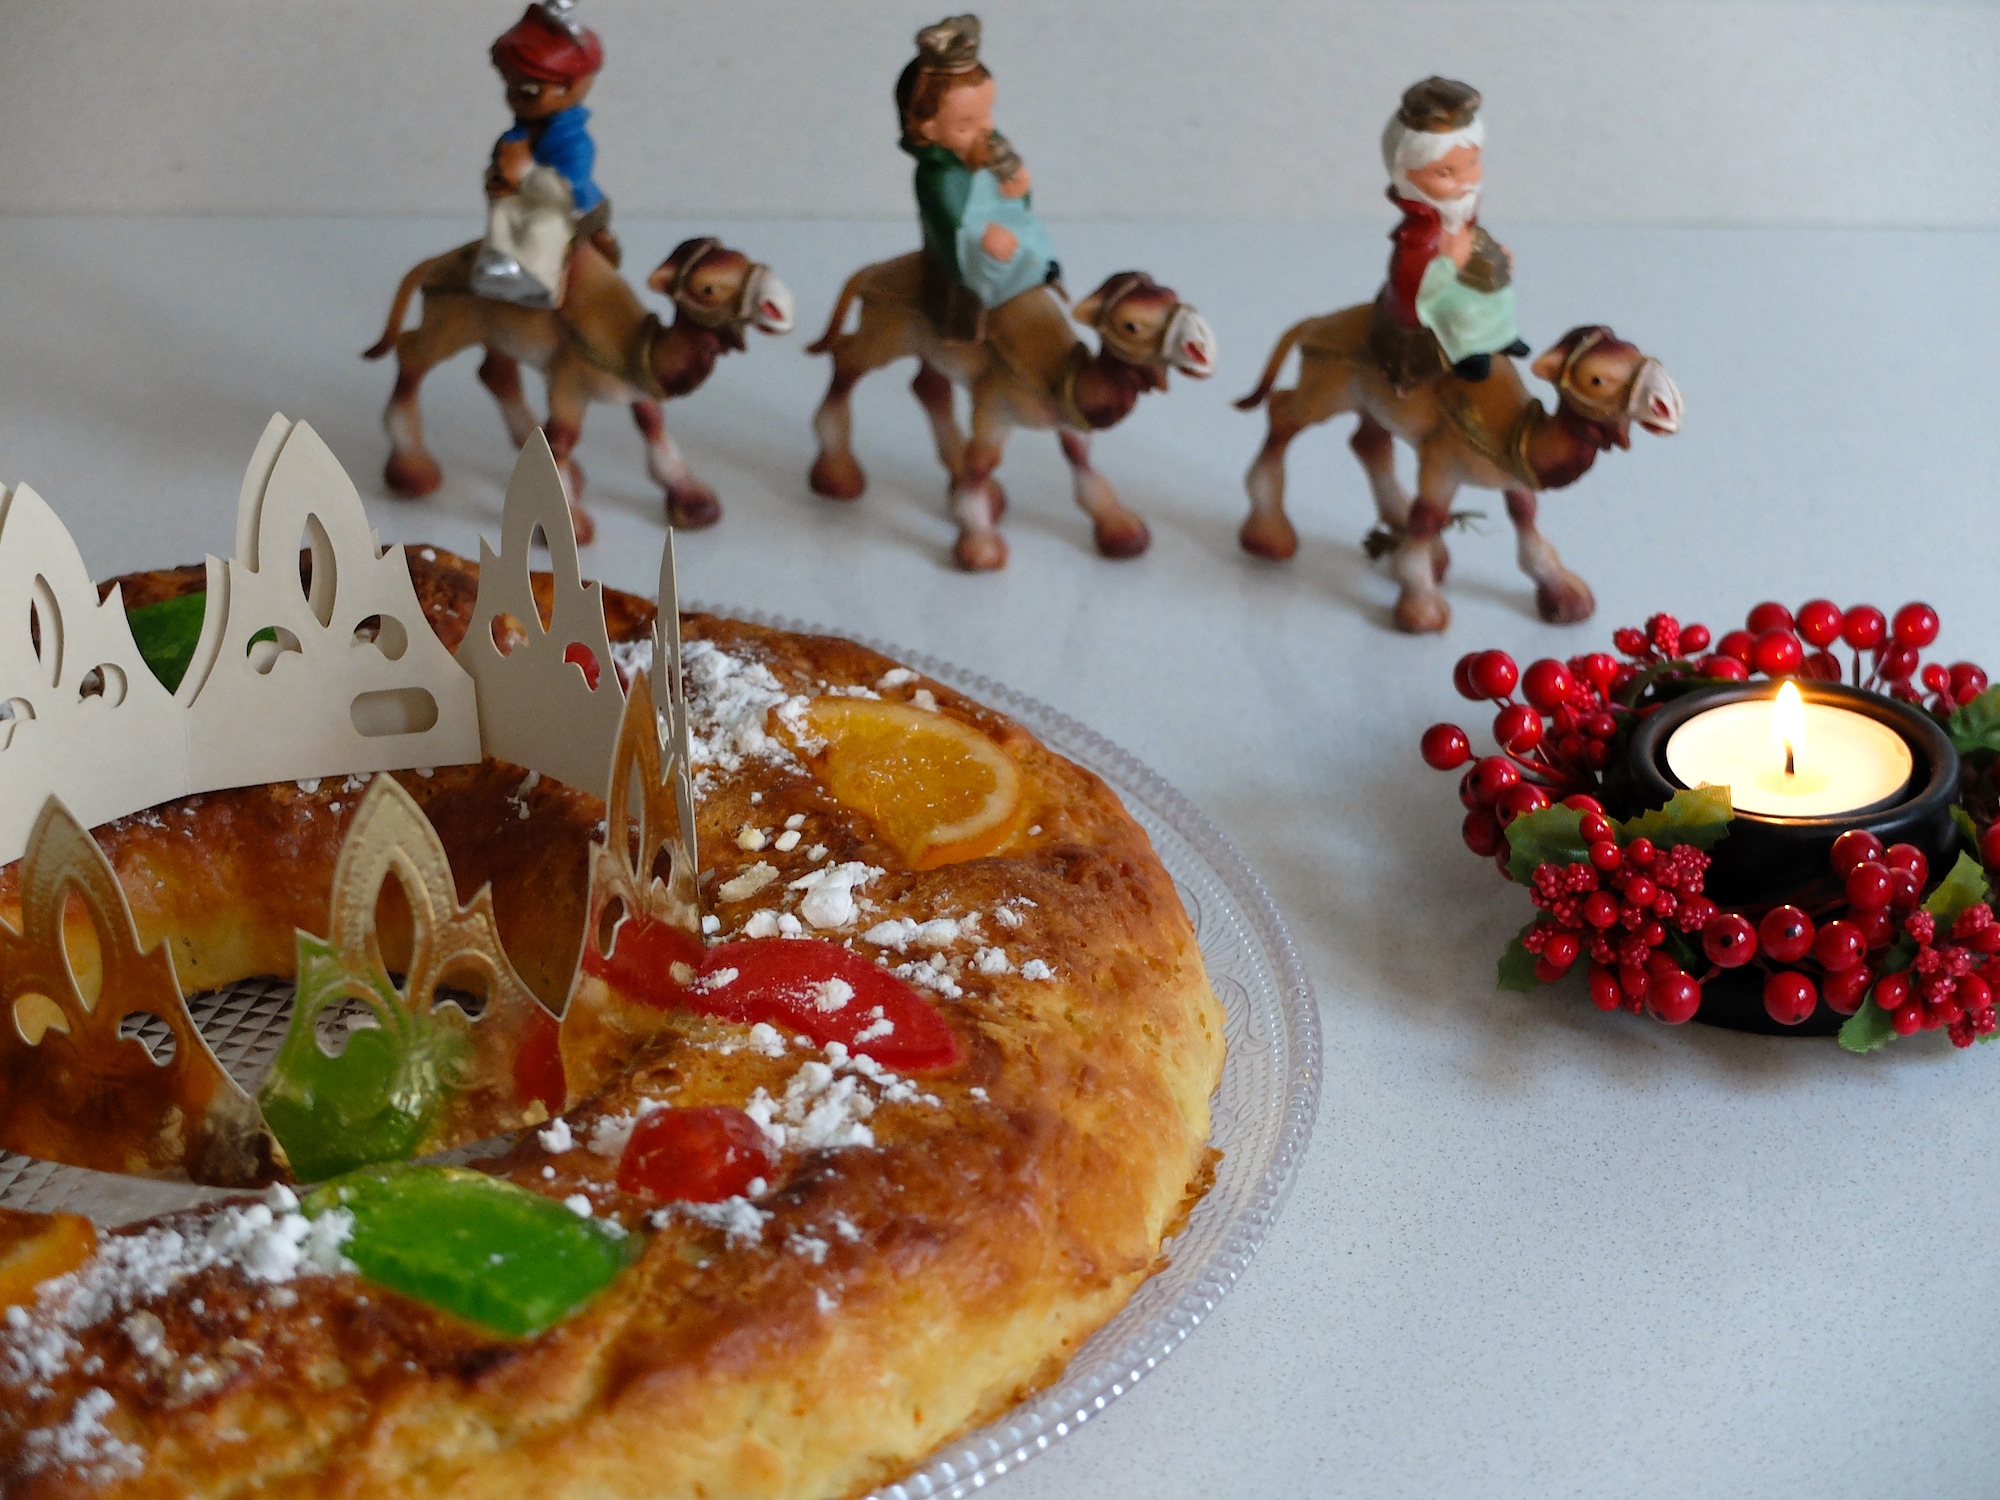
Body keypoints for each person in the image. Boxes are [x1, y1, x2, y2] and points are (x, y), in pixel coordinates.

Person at [896, 15, 1065, 357]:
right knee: (996, 257)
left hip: (1001, 217)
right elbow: (950, 224)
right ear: (928, 129)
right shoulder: (937, 176)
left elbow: (1009, 188)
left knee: (1030, 232)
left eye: (987, 114)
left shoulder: (989, 145)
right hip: (971, 241)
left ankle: (1040, 275)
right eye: (965, 124)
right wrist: (982, 236)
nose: (985, 128)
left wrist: (1017, 188)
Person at [1371, 77, 1530, 389]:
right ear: (1407, 176)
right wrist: (1449, 264)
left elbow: (1471, 234)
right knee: (1463, 310)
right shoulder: (1417, 233)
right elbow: (1412, 282)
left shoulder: (1459, 208)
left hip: (1464, 274)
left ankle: (1501, 336)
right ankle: (1468, 353)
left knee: (1501, 294)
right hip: (1436, 291)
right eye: (1446, 173)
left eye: (1472, 163)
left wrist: (1494, 252)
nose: (1467, 180)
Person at [472, 0, 617, 309]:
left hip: (576, 209)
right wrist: (497, 180)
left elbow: (569, 192)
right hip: (528, 198)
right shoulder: (517, 135)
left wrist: (522, 175)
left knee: (545, 226)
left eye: (530, 91)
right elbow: (501, 167)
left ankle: (540, 283)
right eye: (511, 88)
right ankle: (501, 269)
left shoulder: (575, 143)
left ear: (573, 86)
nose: (516, 99)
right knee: (504, 213)